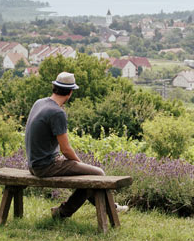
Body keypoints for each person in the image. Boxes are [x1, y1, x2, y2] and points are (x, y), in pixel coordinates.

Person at [25, 71, 124, 219]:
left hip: (33, 164)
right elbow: (66, 149)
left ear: (54, 87)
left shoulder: (39, 102)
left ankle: (112, 207)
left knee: (89, 177)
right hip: (45, 166)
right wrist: (79, 164)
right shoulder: (57, 112)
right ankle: (63, 213)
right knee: (97, 174)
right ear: (71, 92)